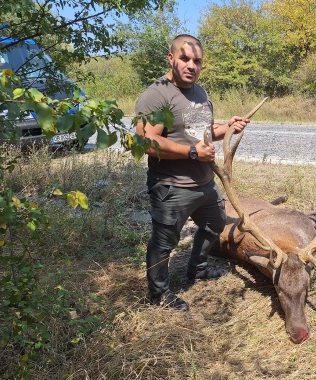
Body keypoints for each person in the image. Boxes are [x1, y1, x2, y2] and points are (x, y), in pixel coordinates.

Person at [135, 34, 250, 311]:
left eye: (197, 61)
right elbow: (145, 142)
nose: (191, 66)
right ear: (171, 58)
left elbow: (204, 133)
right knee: (164, 242)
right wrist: (191, 153)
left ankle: (197, 268)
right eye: (185, 59)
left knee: (215, 223)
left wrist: (229, 127)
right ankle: (159, 294)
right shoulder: (156, 95)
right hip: (172, 186)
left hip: (204, 182)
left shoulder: (199, 92)